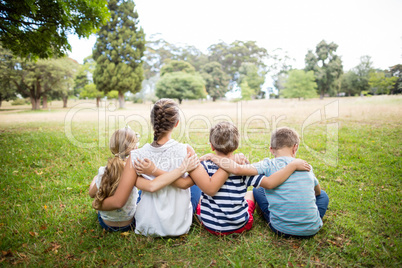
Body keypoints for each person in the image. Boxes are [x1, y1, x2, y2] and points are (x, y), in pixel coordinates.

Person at [94, 99, 228, 237]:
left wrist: (97, 203)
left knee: (143, 190)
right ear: (176, 123)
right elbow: (198, 186)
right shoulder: (186, 150)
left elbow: (120, 200)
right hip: (179, 227)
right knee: (194, 184)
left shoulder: (136, 156)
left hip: (146, 226)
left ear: (153, 123)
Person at [202, 126, 329, 238]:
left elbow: (238, 169)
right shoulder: (306, 166)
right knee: (323, 195)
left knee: (258, 190)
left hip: (280, 228)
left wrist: (213, 157)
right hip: (312, 229)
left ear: (271, 149)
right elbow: (317, 192)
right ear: (295, 147)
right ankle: (309, 220)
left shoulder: (267, 164)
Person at [89, 126, 199, 232]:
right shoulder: (132, 168)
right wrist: (176, 170)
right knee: (142, 191)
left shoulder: (103, 172)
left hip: (105, 223)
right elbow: (152, 186)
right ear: (134, 147)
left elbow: (91, 193)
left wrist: (95, 180)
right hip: (128, 224)